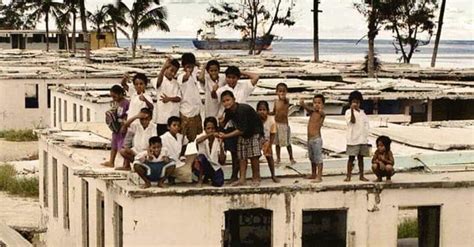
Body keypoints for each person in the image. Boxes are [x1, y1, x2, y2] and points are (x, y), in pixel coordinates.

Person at [215, 66, 259, 182]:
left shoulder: (243, 86)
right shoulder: (221, 90)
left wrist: (242, 72)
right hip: (230, 124)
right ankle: (236, 176)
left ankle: (241, 176)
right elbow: (218, 103)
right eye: (228, 77)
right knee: (234, 152)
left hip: (245, 126)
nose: (231, 80)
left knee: (247, 154)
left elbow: (256, 76)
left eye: (234, 77)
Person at [218, 90, 264, 187]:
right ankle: (242, 178)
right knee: (242, 156)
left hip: (254, 132)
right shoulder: (228, 111)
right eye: (224, 101)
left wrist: (225, 136)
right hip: (243, 134)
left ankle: (256, 177)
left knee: (253, 156)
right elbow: (223, 124)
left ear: (234, 99)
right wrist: (221, 120)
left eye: (228, 100)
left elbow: (240, 130)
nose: (226, 103)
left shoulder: (241, 110)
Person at [344, 91, 369, 182]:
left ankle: (361, 175)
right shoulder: (348, 112)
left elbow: (366, 126)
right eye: (354, 102)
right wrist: (351, 110)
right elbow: (352, 121)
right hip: (353, 139)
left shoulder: (362, 113)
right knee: (351, 158)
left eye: (357, 102)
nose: (356, 104)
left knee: (361, 158)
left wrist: (366, 138)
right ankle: (348, 175)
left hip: (362, 139)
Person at [300, 94, 326, 182]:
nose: (317, 104)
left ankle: (319, 176)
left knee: (318, 158)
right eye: (315, 103)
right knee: (312, 158)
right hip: (310, 139)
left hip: (316, 139)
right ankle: (313, 173)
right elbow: (308, 109)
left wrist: (320, 109)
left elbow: (323, 113)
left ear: (323, 105)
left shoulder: (321, 114)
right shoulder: (312, 112)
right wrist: (302, 104)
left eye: (319, 103)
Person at [193, 117, 225, 187]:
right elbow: (197, 141)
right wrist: (210, 135)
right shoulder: (202, 138)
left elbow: (222, 161)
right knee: (200, 158)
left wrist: (221, 145)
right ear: (205, 129)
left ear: (216, 129)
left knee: (219, 183)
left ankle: (208, 178)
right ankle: (200, 180)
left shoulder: (219, 139)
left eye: (213, 128)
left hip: (214, 166)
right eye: (208, 128)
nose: (211, 130)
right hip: (204, 164)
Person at [178, 53, 203, 142]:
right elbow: (184, 78)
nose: (190, 68)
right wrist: (188, 72)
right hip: (186, 113)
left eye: (191, 66)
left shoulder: (194, 73)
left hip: (196, 112)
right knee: (183, 139)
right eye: (187, 66)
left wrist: (194, 64)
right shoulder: (181, 76)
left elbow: (198, 65)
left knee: (195, 138)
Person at [102, 85, 129, 168]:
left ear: (120, 94)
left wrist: (123, 124)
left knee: (122, 147)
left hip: (122, 127)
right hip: (116, 128)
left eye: (114, 96)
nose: (113, 98)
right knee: (114, 145)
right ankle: (111, 161)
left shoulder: (125, 103)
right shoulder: (117, 103)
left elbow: (125, 116)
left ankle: (126, 164)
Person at [160, 116, 193, 183]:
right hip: (169, 162)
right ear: (168, 127)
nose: (176, 127)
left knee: (193, 157)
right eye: (174, 125)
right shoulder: (163, 138)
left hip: (179, 161)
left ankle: (176, 175)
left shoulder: (180, 136)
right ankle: (170, 175)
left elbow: (185, 143)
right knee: (186, 174)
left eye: (178, 126)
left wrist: (182, 155)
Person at [155, 57, 181, 136]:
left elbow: (178, 98)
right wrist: (163, 68)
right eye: (171, 70)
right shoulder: (159, 79)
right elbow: (158, 83)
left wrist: (169, 99)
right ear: (166, 69)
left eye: (175, 72)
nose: (173, 74)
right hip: (162, 119)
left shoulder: (176, 83)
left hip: (174, 118)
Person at [256, 101, 280, 183]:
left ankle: (273, 175)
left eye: (264, 109)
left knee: (269, 157)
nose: (262, 111)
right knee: (255, 158)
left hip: (267, 140)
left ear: (267, 111)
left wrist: (270, 145)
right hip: (257, 140)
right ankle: (257, 175)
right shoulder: (255, 119)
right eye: (259, 109)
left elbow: (273, 133)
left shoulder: (271, 121)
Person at [273, 83, 296, 165]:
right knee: (277, 143)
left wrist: (283, 97)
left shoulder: (286, 101)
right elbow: (274, 112)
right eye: (280, 91)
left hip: (284, 125)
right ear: (276, 92)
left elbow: (285, 100)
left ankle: (291, 157)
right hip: (277, 124)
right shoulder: (275, 102)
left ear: (286, 92)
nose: (282, 93)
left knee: (287, 143)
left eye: (283, 91)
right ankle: (278, 158)